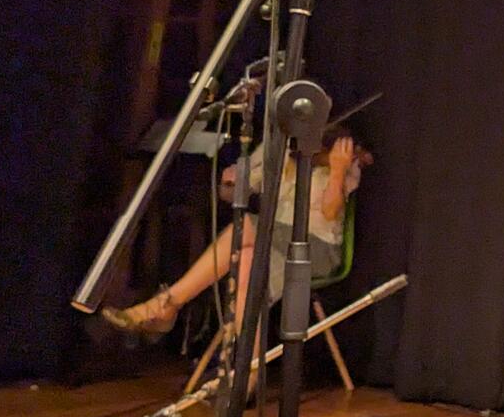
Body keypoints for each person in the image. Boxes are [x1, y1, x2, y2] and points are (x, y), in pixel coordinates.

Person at [102, 131, 367, 336]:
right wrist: (230, 184)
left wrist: (337, 172)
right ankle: (245, 375)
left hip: (316, 249)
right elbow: (231, 195)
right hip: (271, 241)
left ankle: (167, 303)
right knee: (247, 262)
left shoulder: (339, 158)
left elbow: (331, 213)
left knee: (247, 228)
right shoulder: (278, 148)